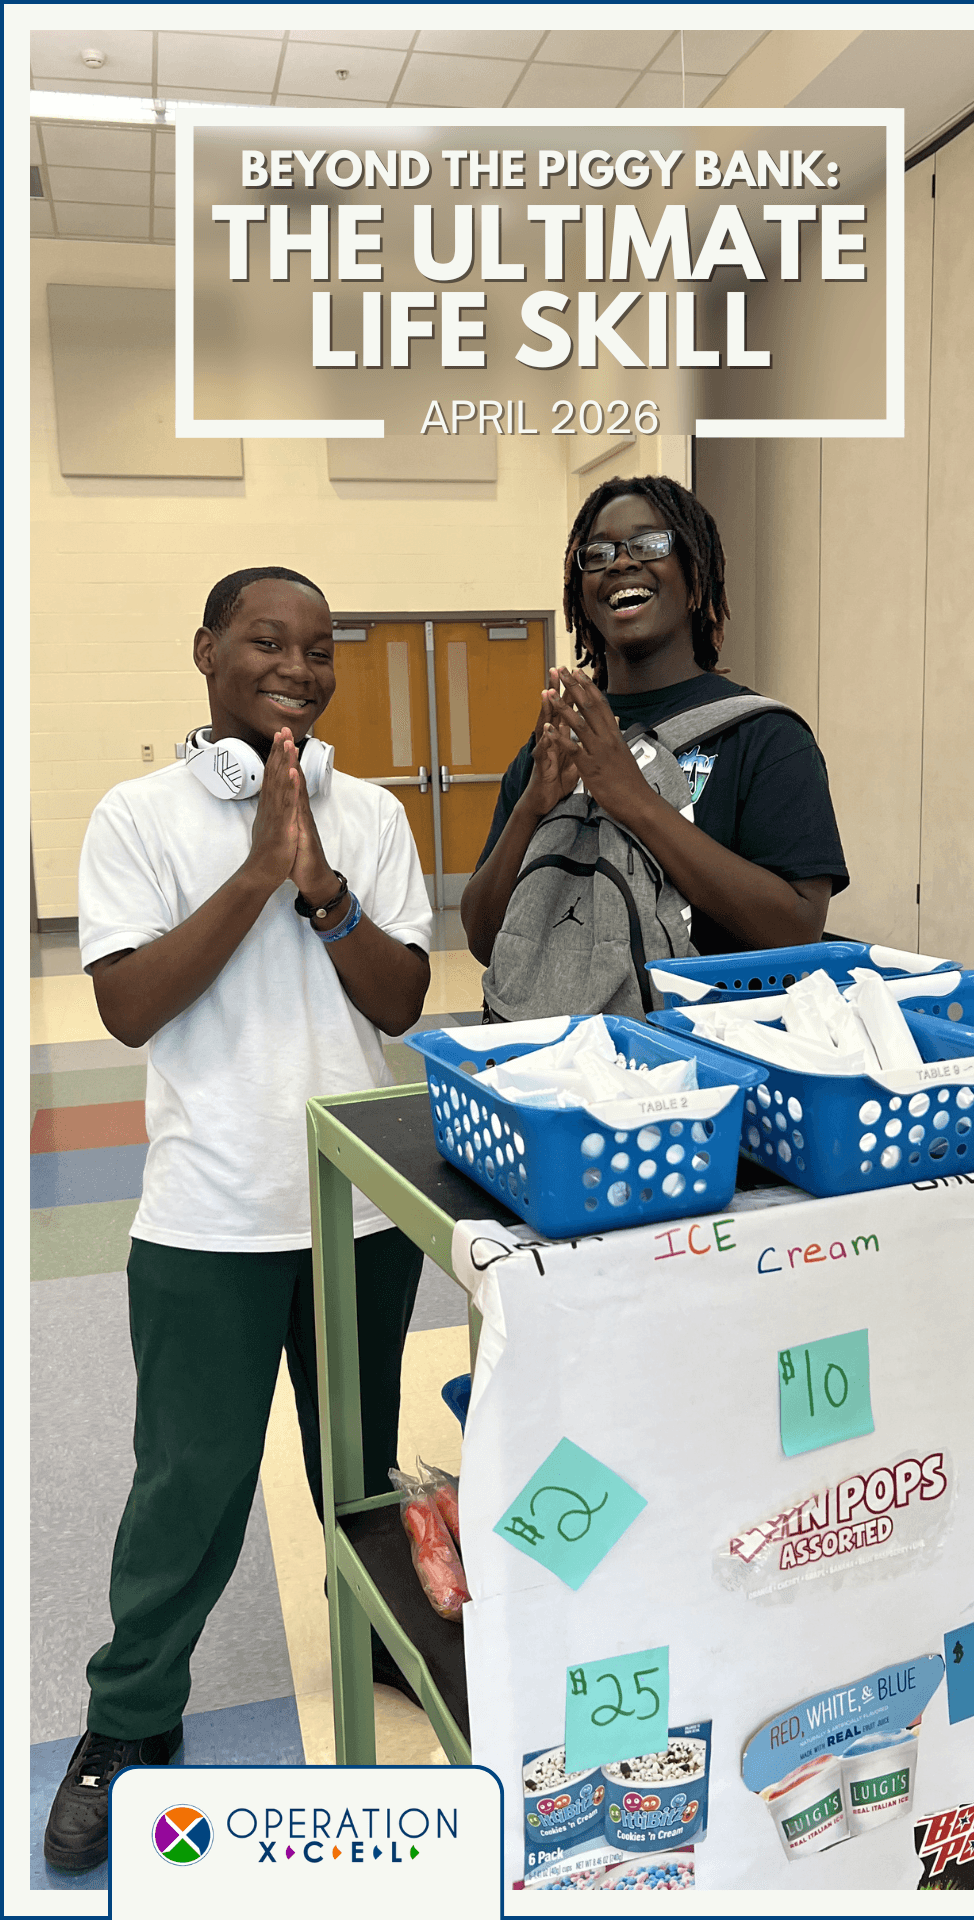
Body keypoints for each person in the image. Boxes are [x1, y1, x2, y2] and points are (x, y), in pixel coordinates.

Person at [45, 567, 433, 1873]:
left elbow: (403, 1001)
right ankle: (130, 1718)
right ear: (206, 648)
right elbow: (128, 1006)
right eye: (270, 640)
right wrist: (259, 874)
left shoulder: (371, 814)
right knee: (187, 1488)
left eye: (320, 649)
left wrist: (324, 889)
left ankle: (382, 1643)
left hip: (358, 1216)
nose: (300, 667)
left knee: (361, 1466)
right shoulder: (135, 816)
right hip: (208, 1217)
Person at [460, 475, 848, 987]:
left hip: (711, 1052)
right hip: (572, 1054)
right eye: (598, 554)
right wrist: (532, 804)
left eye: (649, 544)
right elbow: (486, 940)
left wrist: (635, 800)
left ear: (694, 574)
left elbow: (796, 930)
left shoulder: (766, 738)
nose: (621, 562)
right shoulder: (556, 745)